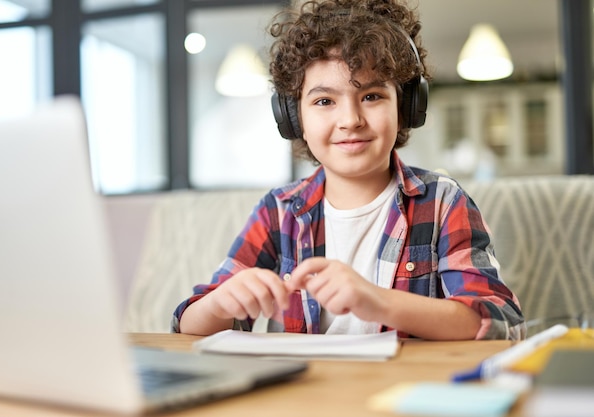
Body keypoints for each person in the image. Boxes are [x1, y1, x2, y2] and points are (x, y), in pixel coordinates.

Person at [172, 0, 525, 340]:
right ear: (295, 120)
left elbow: (500, 320)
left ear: (406, 106)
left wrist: (377, 301)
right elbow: (189, 325)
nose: (350, 120)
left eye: (371, 96)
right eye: (324, 101)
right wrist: (221, 302)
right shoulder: (278, 212)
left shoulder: (443, 202)